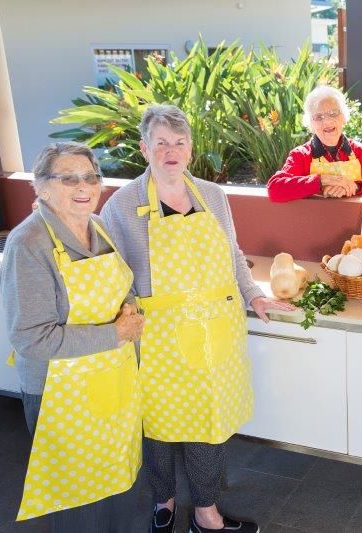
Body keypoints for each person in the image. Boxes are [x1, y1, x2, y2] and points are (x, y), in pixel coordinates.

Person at [101, 104, 295, 533]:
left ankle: (207, 515)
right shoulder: (121, 204)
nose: (171, 152)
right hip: (155, 338)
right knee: (157, 424)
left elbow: (232, 256)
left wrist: (253, 295)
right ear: (144, 148)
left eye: (180, 143)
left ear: (190, 148)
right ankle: (163, 500)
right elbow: (113, 274)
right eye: (162, 143)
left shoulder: (213, 195)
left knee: (208, 423)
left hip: (215, 332)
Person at [1, 142, 144, 532]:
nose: (84, 186)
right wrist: (115, 333)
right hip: (60, 392)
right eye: (69, 178)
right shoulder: (29, 244)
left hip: (110, 378)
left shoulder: (96, 225)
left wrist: (130, 307)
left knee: (117, 480)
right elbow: (31, 338)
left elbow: (121, 285)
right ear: (42, 187)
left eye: (90, 177)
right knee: (80, 500)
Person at [267, 85, 362, 202]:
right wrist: (322, 180)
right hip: (314, 219)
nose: (326, 121)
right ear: (310, 124)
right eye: (318, 117)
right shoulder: (301, 155)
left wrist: (355, 187)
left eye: (333, 113)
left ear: (343, 116)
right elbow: (274, 189)